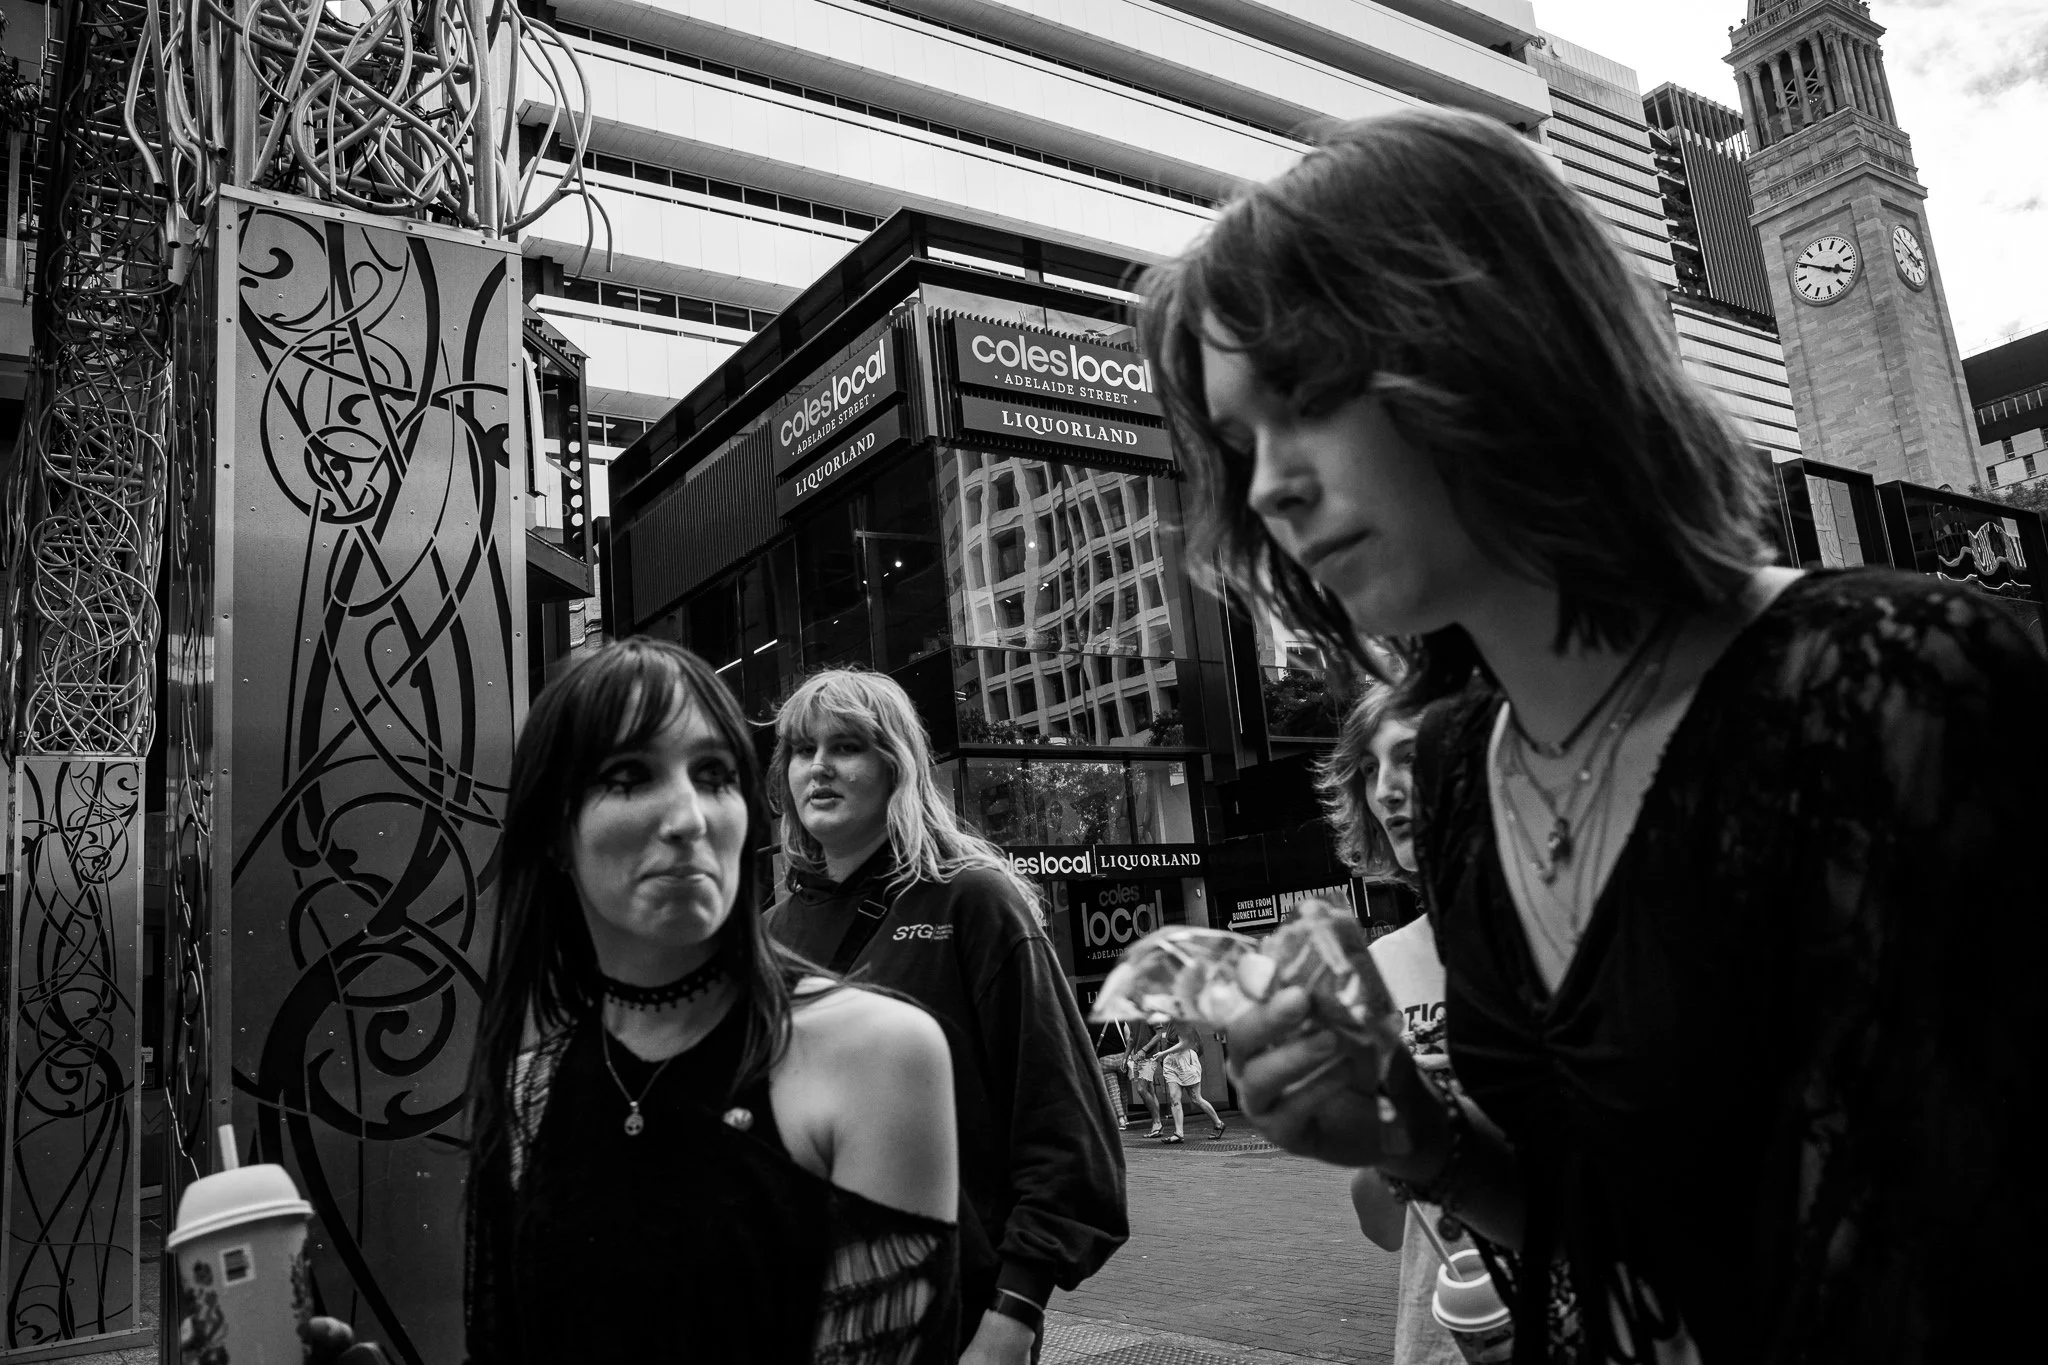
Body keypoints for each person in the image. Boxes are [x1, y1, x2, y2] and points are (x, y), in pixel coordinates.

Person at [1139, 105, 2048, 1363]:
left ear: (1492, 347)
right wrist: (1416, 1138)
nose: (1267, 486)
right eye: (1238, 443)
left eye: (1308, 400)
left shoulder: (1892, 684)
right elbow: (1610, 1235)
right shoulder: (1461, 772)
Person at [462, 639, 961, 1364]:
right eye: (629, 776)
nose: (690, 817)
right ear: (554, 834)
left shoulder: (877, 1050)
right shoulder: (529, 1086)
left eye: (714, 774)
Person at [767, 670, 1128, 1365]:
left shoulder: (973, 903)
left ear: (896, 764)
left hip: (951, 1323)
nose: (819, 767)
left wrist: (1012, 1317)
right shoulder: (765, 935)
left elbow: (1068, 1132)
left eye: (846, 746)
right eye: (802, 749)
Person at [1322, 687, 1467, 1365]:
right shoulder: (1383, 966)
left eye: (1407, 758)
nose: (1387, 790)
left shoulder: (1567, 933)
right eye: (1371, 771)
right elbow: (1384, 1227)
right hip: (1440, 1334)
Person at [1152, 1018, 1227, 1144]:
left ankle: (1218, 1123)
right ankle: (1178, 1133)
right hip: (1171, 1061)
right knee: (1174, 1097)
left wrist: (1163, 1053)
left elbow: (1183, 1043)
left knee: (1196, 1098)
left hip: (1186, 1060)